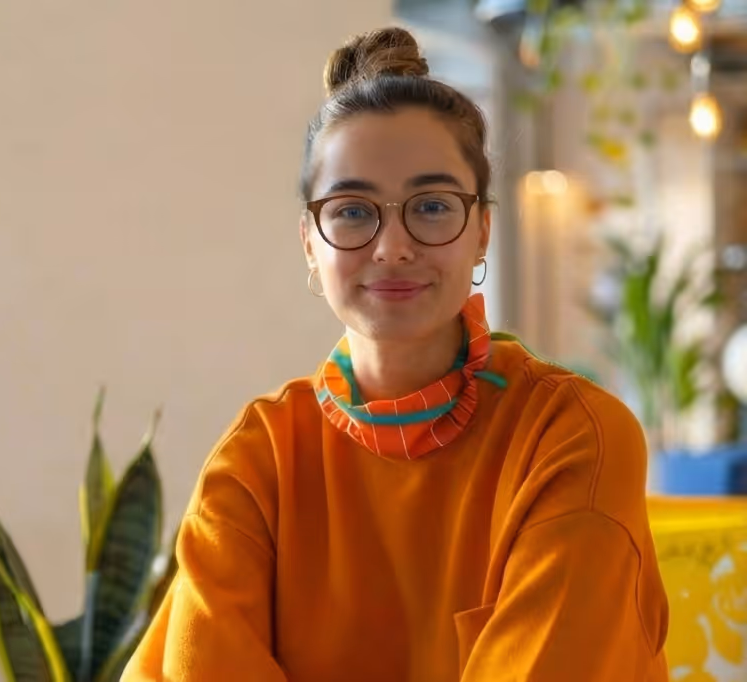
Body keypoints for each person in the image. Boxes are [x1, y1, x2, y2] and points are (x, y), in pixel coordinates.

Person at [122, 26, 669, 682]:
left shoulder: (571, 437)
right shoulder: (259, 460)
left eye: (432, 206)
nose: (392, 247)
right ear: (309, 244)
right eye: (352, 211)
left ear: (481, 232)